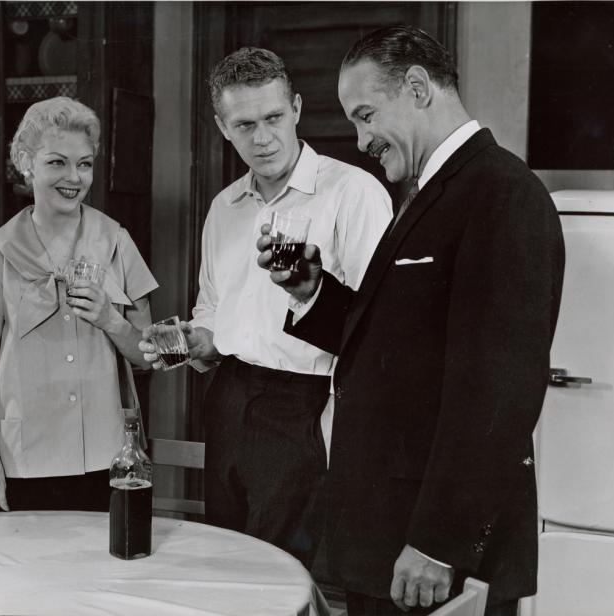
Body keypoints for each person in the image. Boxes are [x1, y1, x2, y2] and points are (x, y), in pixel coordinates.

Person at [256, 26, 565, 616]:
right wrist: (312, 290)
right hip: (388, 539)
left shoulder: (503, 193)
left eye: (367, 115)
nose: (361, 138)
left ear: (418, 88)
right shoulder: (430, 192)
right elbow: (398, 340)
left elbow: (499, 391)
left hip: (430, 553)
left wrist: (438, 543)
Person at [140, 47, 392, 566]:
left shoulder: (354, 194)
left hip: (305, 407)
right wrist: (193, 340)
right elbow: (212, 314)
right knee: (228, 565)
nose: (262, 137)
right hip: (227, 398)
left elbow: (382, 331)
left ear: (296, 107)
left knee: (281, 574)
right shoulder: (223, 207)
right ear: (221, 126)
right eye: (244, 124)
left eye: (274, 117)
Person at [0, 97, 157, 513]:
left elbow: (148, 356)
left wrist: (109, 319)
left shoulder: (117, 241)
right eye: (57, 163)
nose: (74, 177)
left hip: (108, 459)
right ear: (25, 162)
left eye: (84, 164)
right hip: (23, 459)